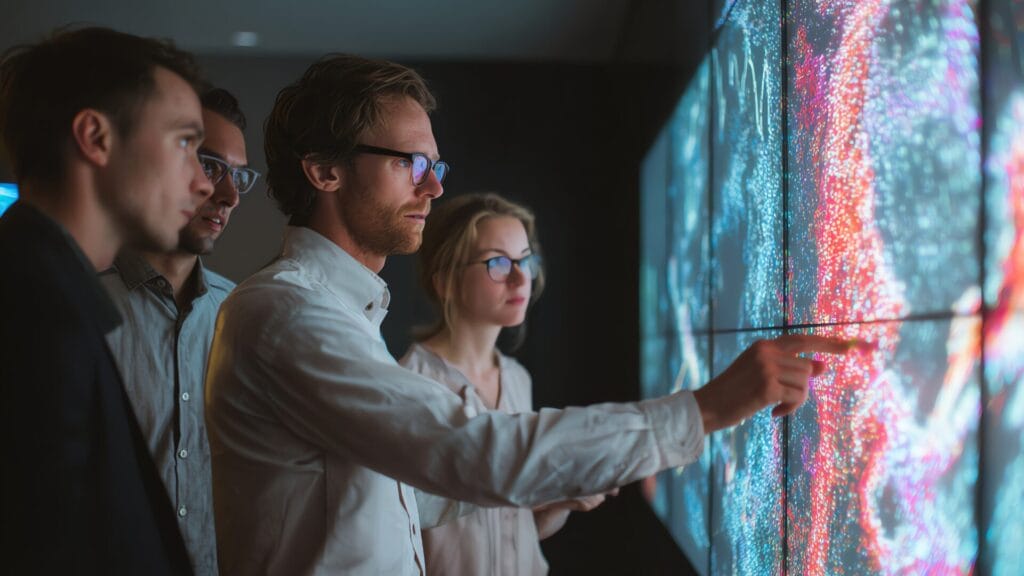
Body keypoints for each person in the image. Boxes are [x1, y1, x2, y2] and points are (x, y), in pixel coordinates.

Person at [204, 53, 856, 576]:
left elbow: (392, 496)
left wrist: (545, 490)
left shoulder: (339, 314)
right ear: (323, 170)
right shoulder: (287, 314)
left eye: (435, 165)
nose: (433, 187)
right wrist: (707, 409)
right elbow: (471, 451)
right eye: (409, 163)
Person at [0, 27, 212, 575]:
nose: (205, 182)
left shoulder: (51, 288)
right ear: (95, 136)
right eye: (185, 142)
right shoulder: (33, 305)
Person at [400, 192, 610, 575]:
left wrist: (565, 496)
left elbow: (514, 529)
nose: (520, 277)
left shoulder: (517, 379)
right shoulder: (409, 383)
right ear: (445, 280)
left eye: (525, 260)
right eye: (497, 262)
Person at [100, 87, 258, 576]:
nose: (229, 195)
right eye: (210, 165)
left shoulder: (244, 312)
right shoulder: (81, 301)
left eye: (239, 176)